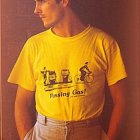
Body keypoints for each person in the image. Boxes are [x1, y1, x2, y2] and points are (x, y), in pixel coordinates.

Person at [8, 0, 127, 140]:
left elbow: (120, 100)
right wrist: (26, 138)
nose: (36, 10)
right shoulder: (34, 45)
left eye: (42, 1)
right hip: (45, 132)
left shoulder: (104, 43)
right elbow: (21, 101)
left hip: (89, 133)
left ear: (64, 1)